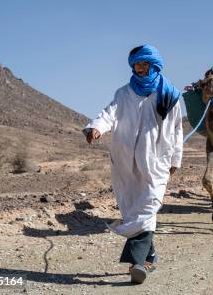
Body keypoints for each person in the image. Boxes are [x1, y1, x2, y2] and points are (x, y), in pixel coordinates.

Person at [83, 44, 183, 284]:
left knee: (148, 207)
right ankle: (151, 257)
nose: (139, 68)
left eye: (144, 64)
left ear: (154, 65)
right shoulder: (124, 93)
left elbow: (178, 129)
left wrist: (175, 158)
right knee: (131, 209)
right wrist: (96, 127)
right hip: (125, 163)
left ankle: (137, 264)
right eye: (136, 64)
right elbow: (110, 113)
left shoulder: (170, 95)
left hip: (156, 161)